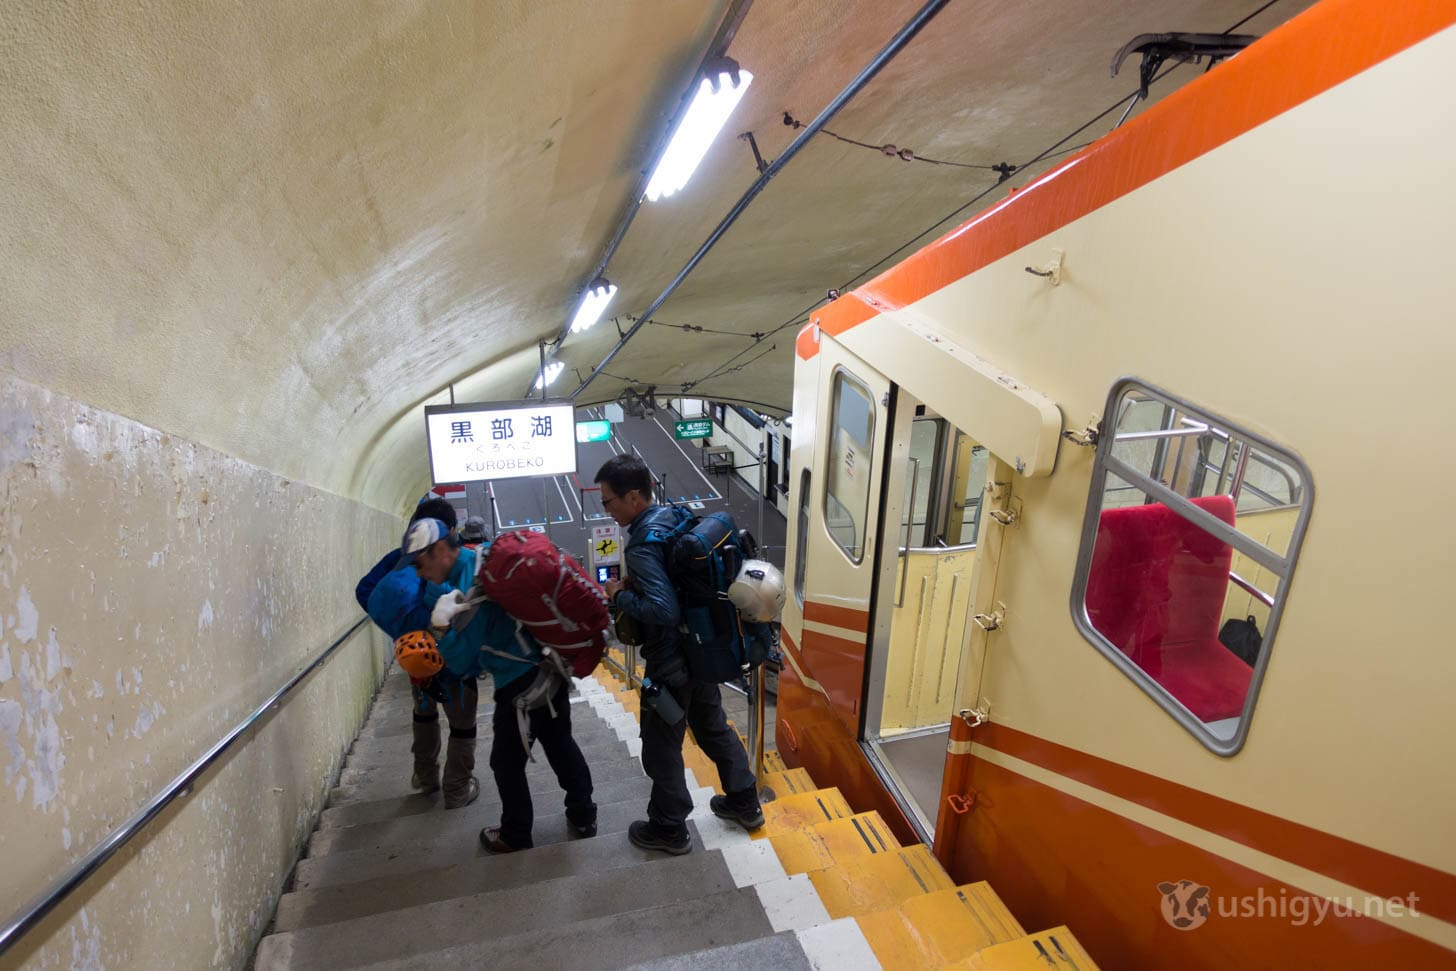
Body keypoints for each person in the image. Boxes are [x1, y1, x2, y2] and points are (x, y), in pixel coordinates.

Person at [595, 454, 763, 855]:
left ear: (633, 497)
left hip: (670, 662)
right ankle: (745, 802)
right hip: (701, 651)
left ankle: (669, 827)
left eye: (608, 501)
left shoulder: (641, 543)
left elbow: (663, 610)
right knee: (712, 726)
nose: (606, 509)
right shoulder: (674, 517)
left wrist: (620, 595)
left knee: (661, 744)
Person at [402, 518, 598, 851]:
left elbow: (463, 661)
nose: (418, 573)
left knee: (505, 763)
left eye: (420, 564)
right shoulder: (482, 555)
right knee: (560, 744)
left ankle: (515, 834)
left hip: (520, 682)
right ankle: (584, 815)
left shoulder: (468, 589)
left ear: (440, 550)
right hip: (548, 664)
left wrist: (440, 630)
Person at [355, 498, 480, 808]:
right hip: (451, 660)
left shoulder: (399, 557)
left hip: (417, 657)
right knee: (462, 723)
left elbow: (364, 590)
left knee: (424, 712)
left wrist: (402, 632)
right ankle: (457, 789)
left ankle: (426, 777)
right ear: (448, 531)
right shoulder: (454, 560)